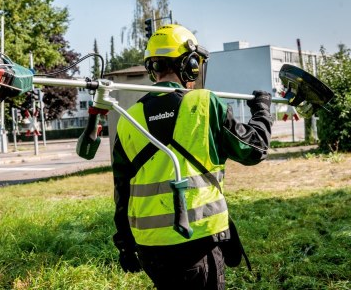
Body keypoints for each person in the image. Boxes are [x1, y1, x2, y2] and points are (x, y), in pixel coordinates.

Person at [112, 24, 272, 290]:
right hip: (197, 243)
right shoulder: (205, 104)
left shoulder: (129, 119)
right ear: (190, 65)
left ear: (153, 68)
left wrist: (125, 246)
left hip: (151, 249)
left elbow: (122, 191)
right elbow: (254, 150)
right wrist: (262, 111)